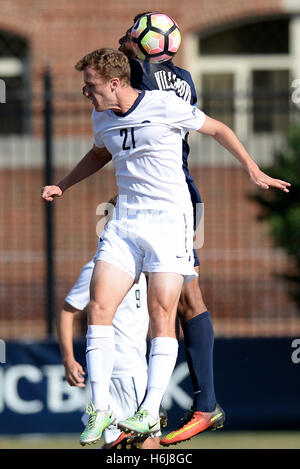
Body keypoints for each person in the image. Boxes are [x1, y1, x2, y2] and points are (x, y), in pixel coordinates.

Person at [41, 48, 290, 447]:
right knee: (99, 306)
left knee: (162, 314)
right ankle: (101, 407)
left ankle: (147, 409)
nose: (85, 93)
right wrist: (64, 184)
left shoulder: (165, 105)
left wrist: (253, 168)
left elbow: (219, 129)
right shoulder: (101, 117)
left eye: (90, 86)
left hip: (169, 223)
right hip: (124, 223)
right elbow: (99, 153)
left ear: (115, 83)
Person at [118, 13, 224, 446]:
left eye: (132, 32)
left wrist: (129, 45)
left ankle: (179, 410)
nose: (125, 37)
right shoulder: (180, 78)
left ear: (145, 45)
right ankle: (177, 409)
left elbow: (122, 65)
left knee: (164, 301)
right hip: (167, 197)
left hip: (168, 201)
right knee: (175, 301)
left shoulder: (146, 74)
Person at [56, 198, 162, 449]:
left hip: (127, 367)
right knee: (148, 444)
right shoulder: (99, 268)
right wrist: (68, 359)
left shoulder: (141, 264)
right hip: (125, 369)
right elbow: (66, 312)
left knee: (115, 444)